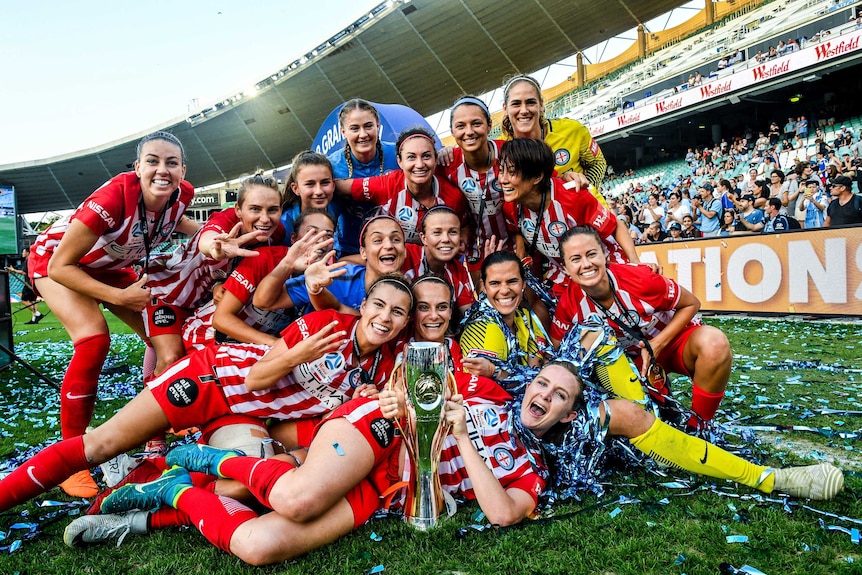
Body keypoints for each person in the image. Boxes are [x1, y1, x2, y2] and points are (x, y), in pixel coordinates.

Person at [77, 361, 843, 562]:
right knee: (303, 497)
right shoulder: (480, 381)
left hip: (399, 484)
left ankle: (174, 491)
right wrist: (410, 395)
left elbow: (505, 511)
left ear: (572, 414)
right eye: (540, 382)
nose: (541, 396)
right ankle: (200, 453)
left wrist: (469, 442)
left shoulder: (532, 470)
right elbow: (417, 373)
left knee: (260, 542)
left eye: (558, 396)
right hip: (379, 432)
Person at [0, 274, 414, 514]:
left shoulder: (375, 367)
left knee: (249, 484)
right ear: (362, 306)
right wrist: (298, 354)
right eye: (378, 305)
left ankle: (150, 479)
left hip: (243, 415)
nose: (385, 317)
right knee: (99, 444)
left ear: (404, 322)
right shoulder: (327, 326)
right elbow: (258, 378)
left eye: (397, 312)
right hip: (209, 379)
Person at [27, 131, 199, 497]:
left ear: (183, 170)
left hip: (109, 268)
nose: (162, 170)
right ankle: (70, 459)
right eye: (152, 161)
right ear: (137, 167)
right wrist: (120, 295)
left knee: (166, 338)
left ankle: (158, 430)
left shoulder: (182, 196)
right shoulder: (113, 197)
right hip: (58, 260)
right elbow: (61, 265)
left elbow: (184, 224)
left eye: (171, 162)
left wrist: (220, 234)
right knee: (93, 340)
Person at [551, 226, 732, 427]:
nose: (586, 264)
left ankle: (700, 426)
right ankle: (658, 397)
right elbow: (562, 353)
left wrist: (658, 344)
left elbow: (692, 303)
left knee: (714, 344)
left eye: (591, 254)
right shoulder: (568, 307)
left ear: (605, 255)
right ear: (566, 268)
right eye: (575, 259)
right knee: (648, 422)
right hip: (634, 364)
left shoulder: (640, 278)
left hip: (672, 341)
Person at [144, 172, 286, 378]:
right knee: (170, 358)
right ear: (238, 210)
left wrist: (220, 284)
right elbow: (208, 238)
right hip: (168, 294)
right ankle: (149, 400)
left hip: (200, 305)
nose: (265, 218)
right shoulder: (226, 220)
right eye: (255, 209)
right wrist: (215, 249)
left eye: (273, 210)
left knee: (184, 358)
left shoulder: (276, 233)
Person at [498, 138, 637, 297]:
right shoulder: (510, 207)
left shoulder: (572, 195)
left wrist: (635, 263)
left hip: (606, 266)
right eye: (502, 171)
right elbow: (517, 232)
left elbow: (615, 226)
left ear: (537, 176)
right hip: (564, 276)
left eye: (512, 172)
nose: (503, 179)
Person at [212, 210, 337, 346]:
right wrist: (277, 344)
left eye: (328, 235)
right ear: (293, 238)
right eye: (312, 232)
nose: (321, 239)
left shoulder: (329, 277)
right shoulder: (263, 258)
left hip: (261, 349)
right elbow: (220, 319)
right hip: (211, 338)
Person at [255, 214, 411, 315]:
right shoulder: (337, 276)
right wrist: (287, 264)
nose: (389, 245)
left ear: (404, 250)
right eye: (377, 240)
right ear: (363, 252)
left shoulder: (410, 293)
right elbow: (263, 301)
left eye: (396, 239)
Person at [335, 127, 468, 245]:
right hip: (395, 265)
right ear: (399, 161)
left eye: (426, 156)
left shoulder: (453, 197)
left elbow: (466, 225)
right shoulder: (388, 185)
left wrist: (464, 237)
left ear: (435, 158)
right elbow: (338, 186)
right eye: (411, 157)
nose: (420, 164)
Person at [437, 96, 511, 287]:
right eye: (461, 126)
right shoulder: (446, 164)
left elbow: (547, 177)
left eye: (476, 123)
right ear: (452, 131)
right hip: (475, 253)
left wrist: (569, 175)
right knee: (488, 305)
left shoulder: (510, 153)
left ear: (488, 124)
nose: (469, 132)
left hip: (517, 245)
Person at [500, 74, 607, 204]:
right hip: (542, 221)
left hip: (589, 214)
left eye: (531, 102)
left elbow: (598, 164)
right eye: (516, 103)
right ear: (505, 109)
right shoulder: (500, 150)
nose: (524, 110)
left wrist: (583, 187)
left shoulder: (572, 131)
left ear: (541, 105)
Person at [460, 251, 551, 393]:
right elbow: (488, 393)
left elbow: (538, 367)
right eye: (495, 283)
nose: (504, 290)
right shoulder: (482, 330)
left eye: (512, 281)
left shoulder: (525, 317)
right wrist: (495, 372)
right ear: (484, 286)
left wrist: (497, 372)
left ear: (524, 283)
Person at [328, 99, 400, 256]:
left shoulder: (399, 154)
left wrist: (442, 155)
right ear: (343, 132)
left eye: (368, 126)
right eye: (354, 128)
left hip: (394, 246)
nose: (363, 134)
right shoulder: (331, 167)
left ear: (378, 126)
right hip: (350, 250)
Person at [403, 206, 475, 315]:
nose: (446, 239)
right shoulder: (404, 255)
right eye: (437, 232)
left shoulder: (459, 271)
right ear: (423, 238)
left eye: (453, 232)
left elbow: (470, 318)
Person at [279, 151, 343, 256]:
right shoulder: (284, 226)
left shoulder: (341, 209)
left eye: (325, 183)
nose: (319, 191)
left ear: (333, 184)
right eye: (310, 184)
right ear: (296, 189)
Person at [6, 247, 43, 324]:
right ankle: (34, 319)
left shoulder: (27, 261)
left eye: (23, 252)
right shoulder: (32, 260)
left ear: (27, 253)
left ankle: (37, 314)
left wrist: (13, 270)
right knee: (32, 301)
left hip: (28, 283)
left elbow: (24, 272)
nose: (22, 254)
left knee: (24, 300)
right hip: (33, 283)